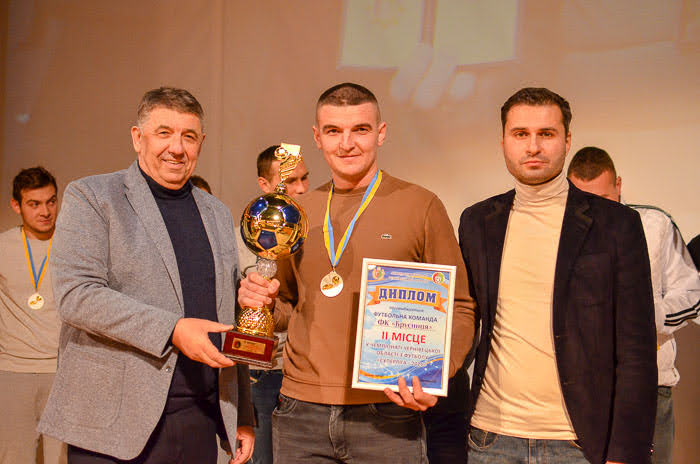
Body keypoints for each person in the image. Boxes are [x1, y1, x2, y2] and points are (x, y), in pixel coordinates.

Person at [238, 82, 477, 464]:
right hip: (301, 410)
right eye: (333, 131)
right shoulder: (299, 211)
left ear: (381, 133)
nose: (346, 143)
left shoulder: (421, 206)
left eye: (360, 130)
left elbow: (461, 307)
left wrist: (437, 373)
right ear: (317, 138)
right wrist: (259, 303)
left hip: (388, 411)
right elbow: (285, 305)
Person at [37, 87, 254, 464]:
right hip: (114, 426)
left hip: (200, 417)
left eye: (188, 136)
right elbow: (77, 295)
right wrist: (172, 329)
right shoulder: (92, 196)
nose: (177, 147)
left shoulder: (216, 212)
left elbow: (227, 318)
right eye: (164, 132)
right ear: (138, 138)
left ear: (201, 143)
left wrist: (242, 414)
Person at [458, 87, 657, 464]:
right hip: (490, 438)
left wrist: (626, 452)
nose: (533, 147)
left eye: (546, 134)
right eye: (521, 134)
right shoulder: (476, 221)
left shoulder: (616, 224)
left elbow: (637, 350)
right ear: (503, 141)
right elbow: (464, 318)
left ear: (567, 141)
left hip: (580, 444)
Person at [568, 146, 700, 464]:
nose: (596, 210)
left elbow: (693, 293)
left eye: (604, 200)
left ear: (619, 185)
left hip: (650, 386)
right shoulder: (555, 231)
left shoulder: (655, 225)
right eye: (584, 200)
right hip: (577, 391)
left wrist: (645, 318)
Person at [241, 145, 309, 464]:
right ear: (264, 185)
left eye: (305, 179)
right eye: (290, 180)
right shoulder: (244, 240)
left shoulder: (313, 235)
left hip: (301, 375)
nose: (301, 188)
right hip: (259, 374)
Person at [0, 167, 66, 464]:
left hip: (62, 370)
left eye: (51, 202)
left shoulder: (72, 245)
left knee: (61, 459)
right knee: (14, 457)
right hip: (12, 372)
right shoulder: (3, 247)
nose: (45, 211)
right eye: (34, 204)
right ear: (16, 205)